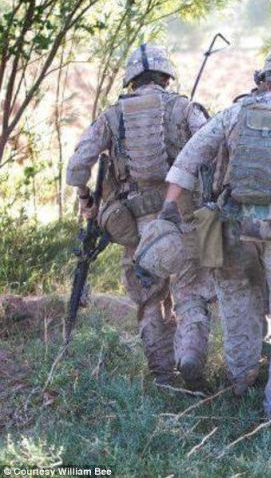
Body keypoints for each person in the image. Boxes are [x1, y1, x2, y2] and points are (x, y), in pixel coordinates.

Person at [162, 44, 271, 420]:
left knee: (238, 305)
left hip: (233, 228)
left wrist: (168, 208)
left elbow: (187, 162)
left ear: (262, 80)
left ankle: (241, 385)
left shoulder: (232, 115)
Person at [66, 44, 214, 388]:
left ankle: (162, 375)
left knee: (149, 301)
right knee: (192, 293)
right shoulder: (184, 108)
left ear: (131, 80)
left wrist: (86, 197)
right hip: (185, 219)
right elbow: (213, 149)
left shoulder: (111, 116)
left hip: (137, 228)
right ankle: (190, 358)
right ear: (166, 77)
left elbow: (76, 168)